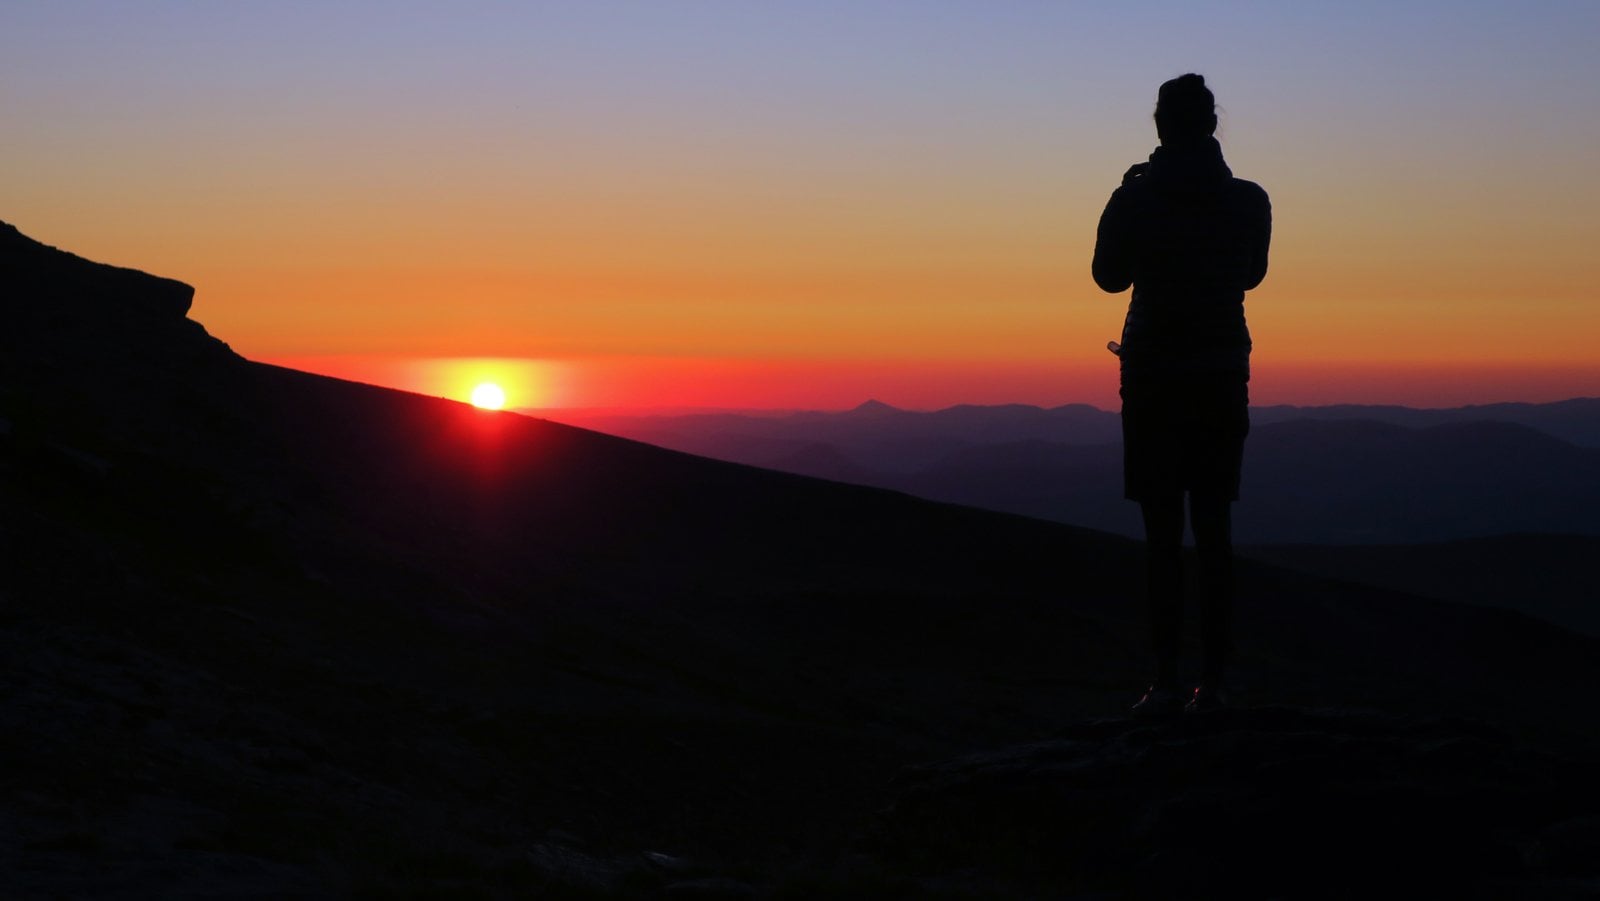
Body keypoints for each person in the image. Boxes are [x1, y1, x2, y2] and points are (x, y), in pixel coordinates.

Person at [1092, 74, 1271, 715]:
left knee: (1161, 532)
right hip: (1222, 369)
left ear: (1161, 128)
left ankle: (1164, 682)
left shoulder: (1137, 200)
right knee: (1215, 526)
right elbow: (1251, 273)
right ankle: (1216, 684)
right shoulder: (1250, 200)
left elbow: (1108, 278)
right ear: (1213, 127)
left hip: (1154, 373)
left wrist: (1123, 198)